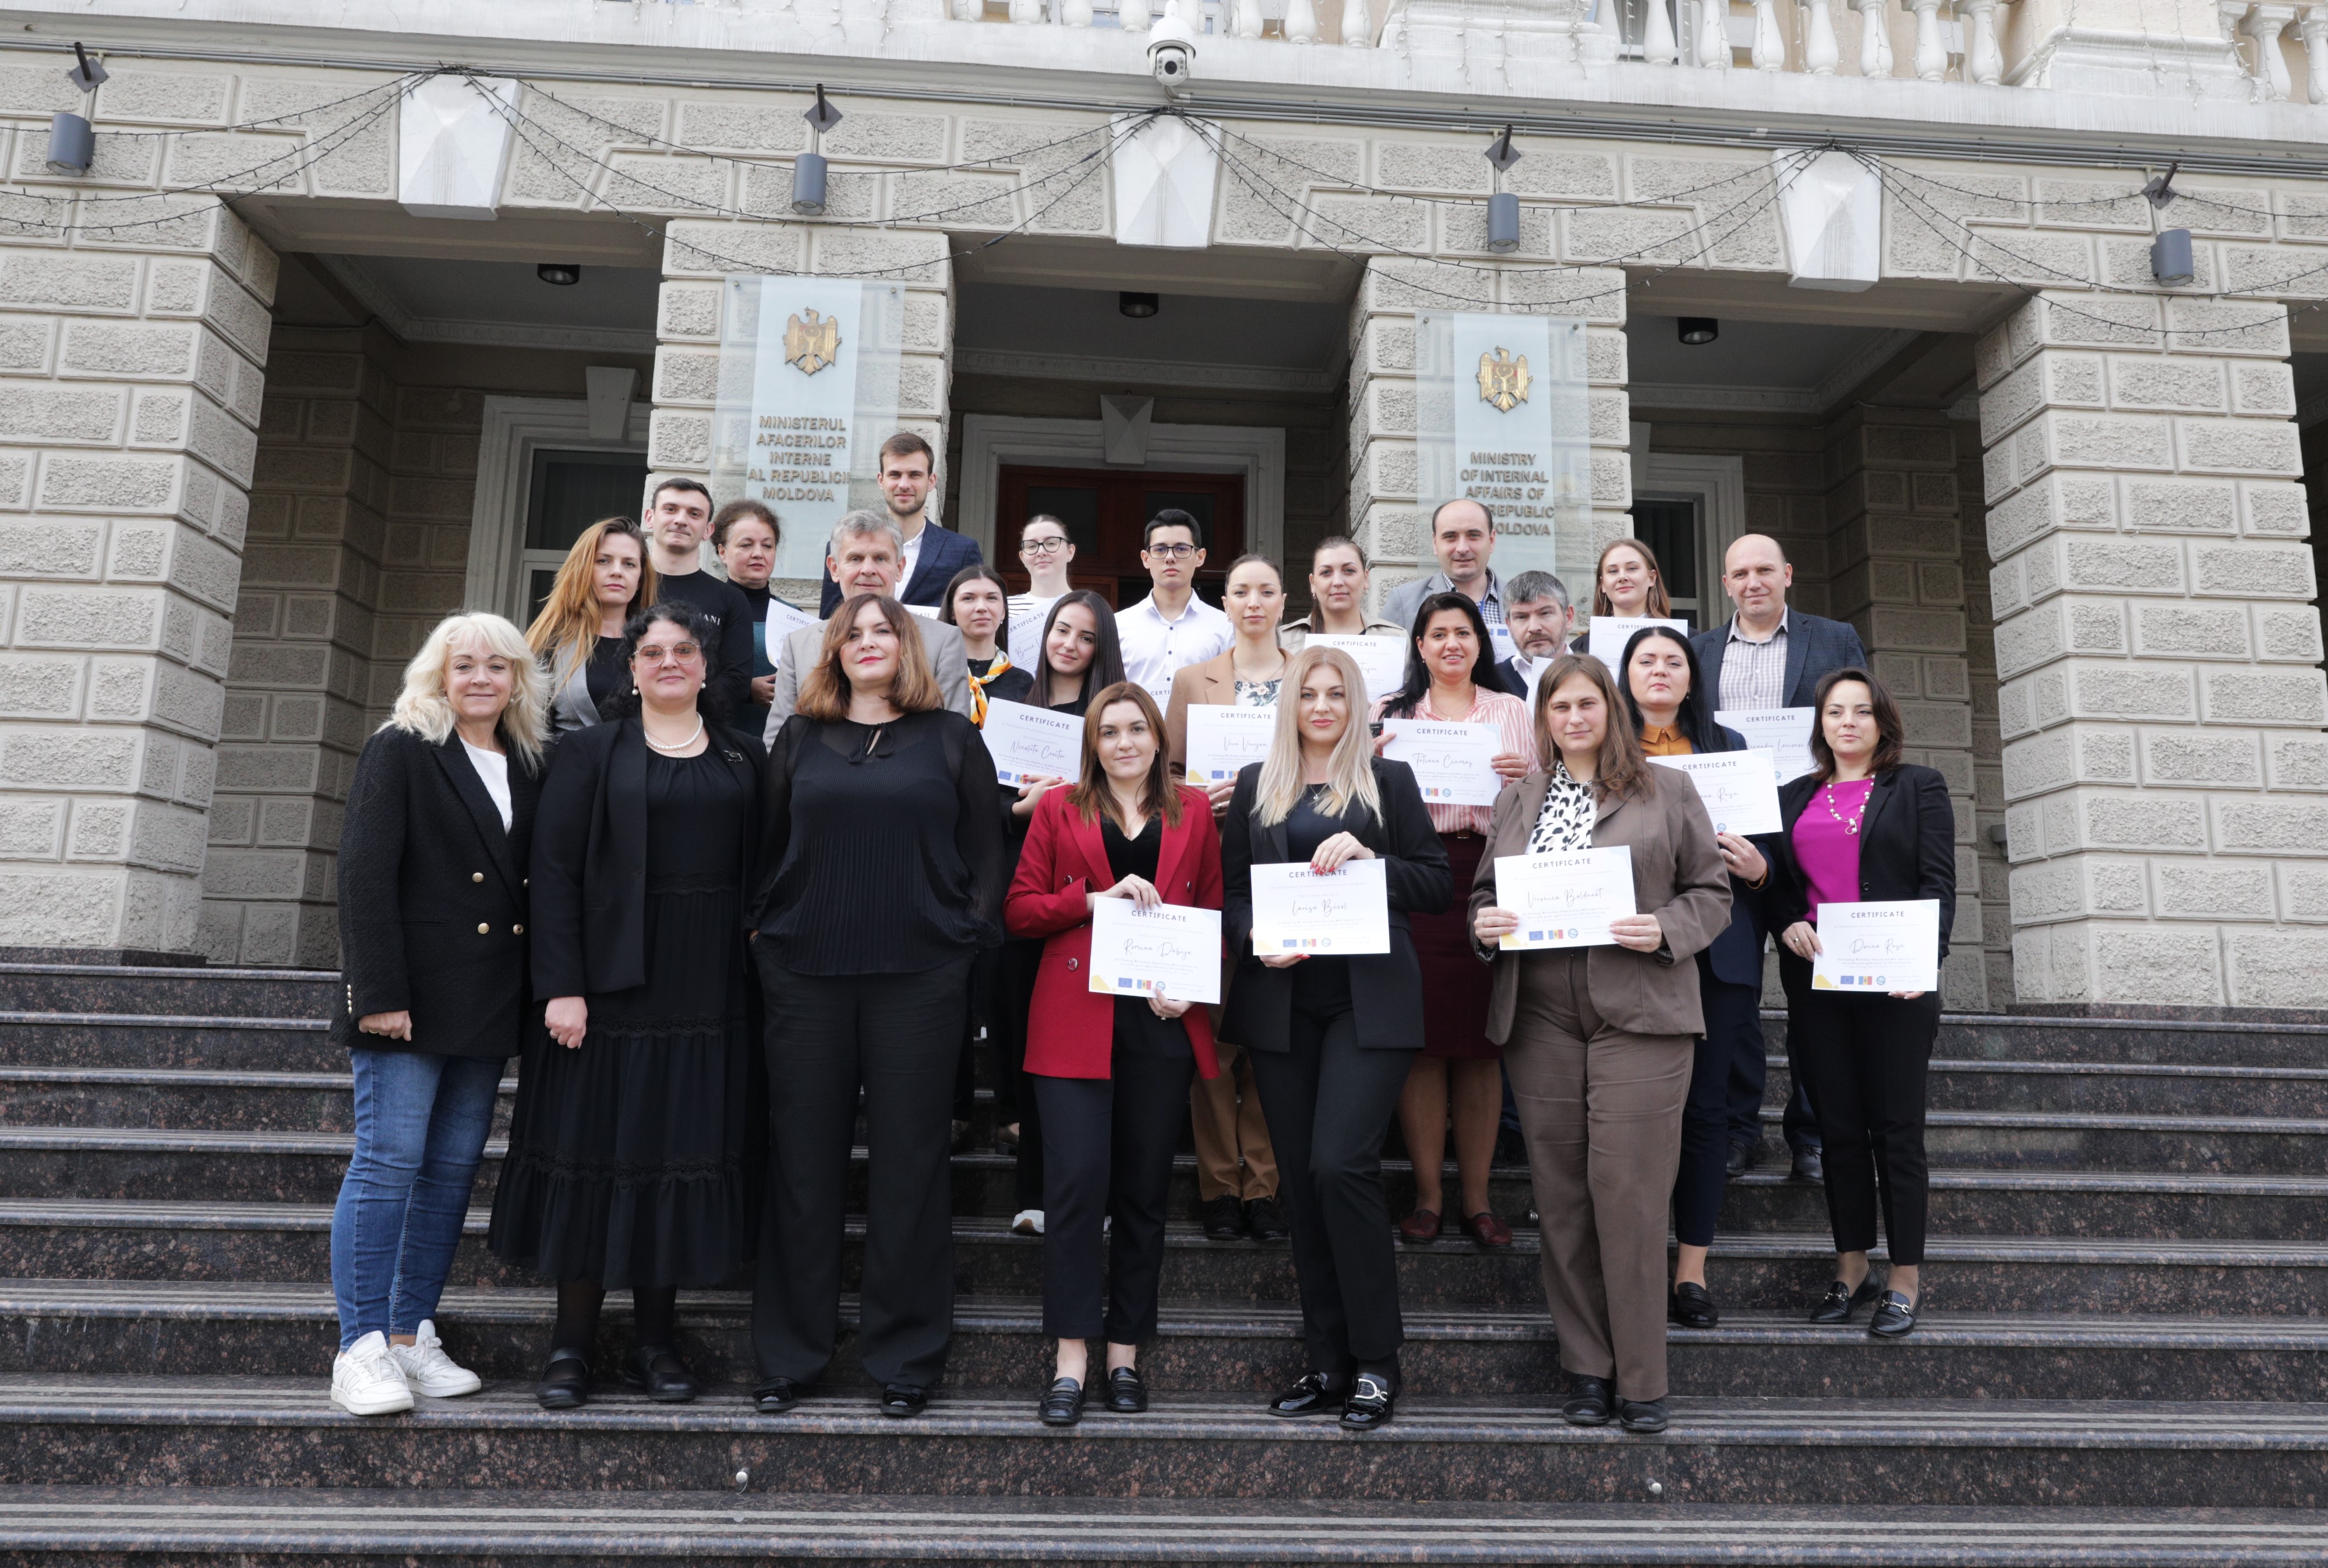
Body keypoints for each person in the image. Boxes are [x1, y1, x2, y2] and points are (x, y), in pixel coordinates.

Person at [490, 600, 764, 1411]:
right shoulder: (590, 752)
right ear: (632, 669)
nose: (669, 662)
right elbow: (555, 874)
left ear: (706, 667)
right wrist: (561, 986)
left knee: (674, 1156)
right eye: (653, 652)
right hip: (606, 991)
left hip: (709, 995)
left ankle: (654, 1343)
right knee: (597, 1157)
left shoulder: (745, 757)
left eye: (685, 650)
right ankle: (571, 1345)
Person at [749, 594, 1008, 1418]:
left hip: (920, 980)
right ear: (833, 652)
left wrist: (963, 938)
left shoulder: (952, 737)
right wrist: (764, 934)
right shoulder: (800, 737)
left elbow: (987, 854)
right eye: (852, 633)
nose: (867, 643)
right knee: (803, 1164)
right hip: (806, 974)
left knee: (910, 1166)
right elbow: (765, 849)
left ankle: (906, 1357)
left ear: (908, 649)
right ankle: (791, 1355)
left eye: (882, 632)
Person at [1469, 654, 1731, 1435]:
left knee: (1629, 1194)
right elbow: (1484, 895)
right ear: (1543, 719)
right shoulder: (1517, 798)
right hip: (1540, 1015)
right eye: (1559, 708)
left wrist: (1665, 928)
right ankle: (1586, 1367)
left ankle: (1642, 1378)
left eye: (1587, 704)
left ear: (1611, 710)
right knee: (1561, 1197)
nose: (1574, 718)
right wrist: (1484, 926)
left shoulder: (1667, 788)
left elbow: (1711, 893)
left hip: (1640, 1008)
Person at [1221, 645, 1450, 1433]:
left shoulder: (1389, 781)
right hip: (1283, 1005)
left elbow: (1435, 881)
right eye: (1307, 694)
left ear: (1356, 705)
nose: (1321, 706)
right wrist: (1255, 939)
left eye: (1336, 694)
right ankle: (1327, 1363)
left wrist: (1371, 859)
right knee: (1302, 1181)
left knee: (1340, 1164)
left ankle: (1377, 1361)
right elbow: (1235, 894)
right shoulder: (1256, 783)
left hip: (1368, 1003)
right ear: (1289, 704)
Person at [327, 612, 548, 1417]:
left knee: (451, 1170)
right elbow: (364, 875)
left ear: (517, 679)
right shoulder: (403, 747)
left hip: (486, 1000)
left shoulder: (529, 760)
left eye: (497, 665)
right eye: (465, 665)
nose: (481, 678)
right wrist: (379, 995)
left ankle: (410, 1334)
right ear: (439, 676)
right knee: (388, 1162)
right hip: (411, 999)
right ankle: (359, 1347)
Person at [1006, 683, 1224, 1426]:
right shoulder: (1060, 806)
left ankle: (1123, 1353)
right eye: (1108, 732)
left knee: (1141, 1193)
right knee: (1073, 1188)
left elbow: (1214, 909)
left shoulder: (1193, 809)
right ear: (1091, 743)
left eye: (1136, 729)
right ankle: (1071, 1356)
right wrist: (1090, 900)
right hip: (1074, 1020)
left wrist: (1192, 990)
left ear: (1158, 737)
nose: (1124, 742)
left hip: (1160, 1022)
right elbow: (1019, 910)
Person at [1766, 668, 1954, 1341]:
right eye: (1835, 711)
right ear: (1819, 723)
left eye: (1861, 711)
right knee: (1838, 1129)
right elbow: (1778, 886)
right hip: (1818, 981)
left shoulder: (1918, 787)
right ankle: (1852, 1268)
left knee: (1896, 1131)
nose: (1847, 722)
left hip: (1897, 982)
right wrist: (1786, 920)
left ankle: (1903, 1278)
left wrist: (1924, 960)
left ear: (1882, 721)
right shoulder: (1792, 795)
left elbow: (1938, 881)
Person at [1691, 532, 1870, 1185]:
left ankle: (1812, 1134)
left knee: (1814, 989)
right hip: (1730, 833)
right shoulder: (1700, 651)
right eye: (1740, 573)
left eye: (1764, 570)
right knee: (1733, 993)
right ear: (1725, 583)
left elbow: (1861, 724)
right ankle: (1738, 1131)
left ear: (1787, 574)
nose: (1753, 582)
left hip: (1811, 826)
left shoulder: (1834, 639)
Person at [1617, 625, 1775, 1332]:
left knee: (1707, 1114)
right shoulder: (1606, 751)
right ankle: (1634, 1261)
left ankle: (1691, 1271)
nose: (1659, 670)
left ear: (1692, 677)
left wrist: (1759, 867)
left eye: (1672, 661)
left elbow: (1769, 852)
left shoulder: (1729, 748)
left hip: (1720, 951)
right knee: (1637, 1115)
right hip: (1632, 948)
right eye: (1645, 660)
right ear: (1625, 676)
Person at [1372, 592, 1533, 1251]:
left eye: (1462, 632)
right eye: (1437, 634)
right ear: (1419, 645)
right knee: (1423, 1042)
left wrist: (1527, 775)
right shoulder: (1391, 713)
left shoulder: (1511, 710)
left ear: (1479, 642)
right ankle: (1428, 1198)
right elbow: (1357, 798)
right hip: (1415, 879)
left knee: (1479, 1045)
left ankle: (1477, 1200)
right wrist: (1370, 761)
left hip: (1488, 876)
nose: (1450, 645)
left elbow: (1545, 796)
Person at [1161, 556, 1292, 1245]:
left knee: (1270, 1033)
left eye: (1266, 590)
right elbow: (1166, 773)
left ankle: (1263, 1184)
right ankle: (1218, 1185)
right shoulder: (1194, 680)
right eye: (1241, 591)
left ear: (1283, 601)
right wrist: (1193, 794)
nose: (1253, 602)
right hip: (1211, 867)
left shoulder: (1309, 675)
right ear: (1226, 601)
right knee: (1210, 1035)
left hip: (1291, 871)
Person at [994, 588, 1128, 1237]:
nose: (1069, 644)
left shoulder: (1116, 717)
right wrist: (1017, 809)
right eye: (1060, 630)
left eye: (1085, 635)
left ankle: (1095, 1196)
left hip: (1100, 902)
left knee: (1094, 1058)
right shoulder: (1013, 709)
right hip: (1027, 894)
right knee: (1031, 1048)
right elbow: (979, 804)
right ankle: (1034, 1194)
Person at [762, 513, 974, 738]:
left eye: (881, 559)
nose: (868, 569)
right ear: (834, 568)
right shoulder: (799, 644)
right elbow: (778, 739)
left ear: (900, 568)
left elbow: (955, 738)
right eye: (855, 559)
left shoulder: (943, 641)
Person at [818, 432, 982, 613]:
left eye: (914, 475)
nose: (904, 484)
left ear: (931, 481)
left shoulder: (962, 551)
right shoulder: (845, 546)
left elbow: (973, 615)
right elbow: (830, 618)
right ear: (881, 481)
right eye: (895, 475)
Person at [527, 517, 654, 733]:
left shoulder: (656, 644)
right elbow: (530, 731)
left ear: (640, 580)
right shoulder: (549, 643)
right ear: (583, 569)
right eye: (603, 561)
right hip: (566, 753)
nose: (617, 571)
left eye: (629, 564)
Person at [642, 477, 756, 718]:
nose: (681, 520)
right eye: (670, 509)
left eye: (694, 514)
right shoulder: (627, 588)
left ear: (708, 530)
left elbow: (736, 681)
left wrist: (678, 706)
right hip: (625, 723)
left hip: (702, 728)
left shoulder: (731, 599)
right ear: (649, 518)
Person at [1116, 509, 1233, 712]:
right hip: (1134, 731)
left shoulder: (1225, 626)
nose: (1170, 558)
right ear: (1146, 558)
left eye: (1181, 549)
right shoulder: (1118, 625)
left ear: (1200, 557)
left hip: (1199, 731)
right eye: (1160, 550)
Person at [1382, 500, 1511, 668]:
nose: (1462, 548)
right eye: (1451, 537)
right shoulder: (1404, 603)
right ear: (1435, 543)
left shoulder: (1521, 601)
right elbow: (1387, 670)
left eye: (1473, 535)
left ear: (1491, 540)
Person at [712, 498, 788, 712]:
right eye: (746, 545)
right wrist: (744, 690)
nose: (758, 554)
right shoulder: (707, 609)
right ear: (723, 552)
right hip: (719, 729)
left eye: (767, 545)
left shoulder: (792, 614)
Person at [942, 563, 1034, 724]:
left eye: (991, 598)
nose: (981, 607)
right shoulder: (931, 676)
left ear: (1003, 611)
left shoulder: (1024, 682)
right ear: (952, 612)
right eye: (968, 598)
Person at [1280, 536, 1404, 651]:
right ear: (1313, 583)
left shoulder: (1396, 639)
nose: (1338, 582)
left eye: (1349, 571)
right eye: (1326, 572)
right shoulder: (1283, 640)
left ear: (1366, 579)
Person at [1006, 513, 1078, 673]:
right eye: (1032, 546)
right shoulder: (1001, 608)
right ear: (1022, 557)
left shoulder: (1088, 608)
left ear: (1070, 552)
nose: (1041, 551)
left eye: (1051, 543)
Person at [1500, 570, 1575, 686]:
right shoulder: (1491, 682)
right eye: (1521, 617)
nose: (1534, 628)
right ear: (1509, 625)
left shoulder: (1597, 676)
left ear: (1568, 617)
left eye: (1545, 613)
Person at [1591, 538, 1675, 621]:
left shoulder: (1677, 629)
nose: (1622, 577)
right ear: (1603, 583)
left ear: (1651, 578)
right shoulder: (1595, 630)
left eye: (1632, 568)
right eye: (1613, 571)